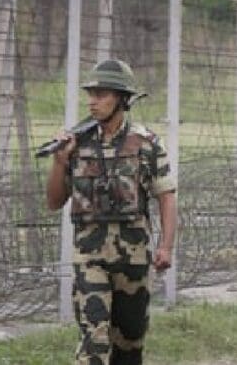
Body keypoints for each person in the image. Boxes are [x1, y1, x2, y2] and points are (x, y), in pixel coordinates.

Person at [46, 58, 177, 365]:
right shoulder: (77, 144)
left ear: (121, 99)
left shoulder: (146, 144)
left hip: (133, 258)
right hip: (89, 256)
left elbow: (166, 198)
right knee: (94, 340)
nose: (92, 101)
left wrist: (166, 246)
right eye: (90, 94)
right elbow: (53, 202)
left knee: (129, 343)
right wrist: (60, 162)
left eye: (101, 94)